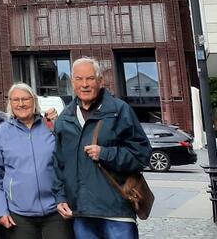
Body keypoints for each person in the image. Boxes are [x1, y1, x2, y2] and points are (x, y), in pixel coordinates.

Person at [52, 58, 149, 239]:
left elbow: (142, 154)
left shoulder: (119, 110)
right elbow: (58, 164)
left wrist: (106, 153)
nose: (85, 84)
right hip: (81, 212)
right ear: (72, 82)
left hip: (116, 211)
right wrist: (61, 197)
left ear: (100, 81)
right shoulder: (65, 118)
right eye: (79, 79)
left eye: (90, 78)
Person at [0, 84, 71, 239]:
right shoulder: (2, 132)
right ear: (10, 104)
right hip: (19, 214)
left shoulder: (50, 126)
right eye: (16, 100)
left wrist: (57, 124)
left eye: (25, 99)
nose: (21, 104)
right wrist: (0, 211)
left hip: (56, 210)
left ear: (34, 101)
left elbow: (66, 162)